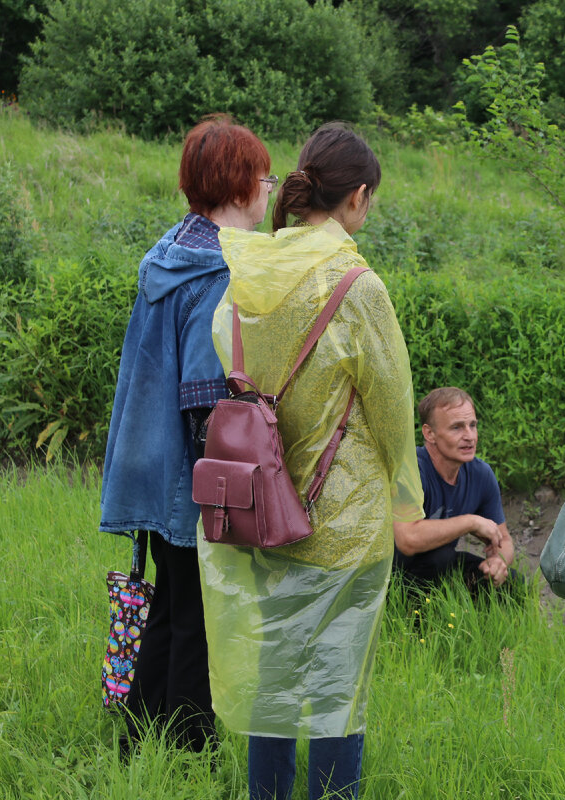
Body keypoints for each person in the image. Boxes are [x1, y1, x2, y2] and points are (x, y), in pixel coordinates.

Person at [196, 122, 423, 800]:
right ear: (356, 198)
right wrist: (408, 504)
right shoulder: (358, 287)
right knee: (334, 690)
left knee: (272, 685)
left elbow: (224, 349)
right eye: (370, 201)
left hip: (261, 508)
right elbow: (392, 412)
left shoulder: (249, 270)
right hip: (342, 523)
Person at [98, 114, 272, 753]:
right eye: (263, 178)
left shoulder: (168, 251)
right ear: (237, 185)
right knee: (198, 619)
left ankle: (136, 740)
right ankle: (188, 752)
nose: (268, 192)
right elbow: (205, 395)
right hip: (189, 472)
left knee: (169, 607)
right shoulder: (218, 270)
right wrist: (225, 492)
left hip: (148, 463)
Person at [392, 387, 516, 591]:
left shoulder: (480, 474)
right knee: (440, 559)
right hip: (386, 576)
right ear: (429, 433)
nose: (469, 436)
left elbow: (504, 540)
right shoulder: (410, 469)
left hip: (435, 568)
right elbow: (408, 539)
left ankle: (473, 621)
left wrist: (498, 561)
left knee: (511, 583)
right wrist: (470, 522)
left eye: (472, 425)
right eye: (457, 428)